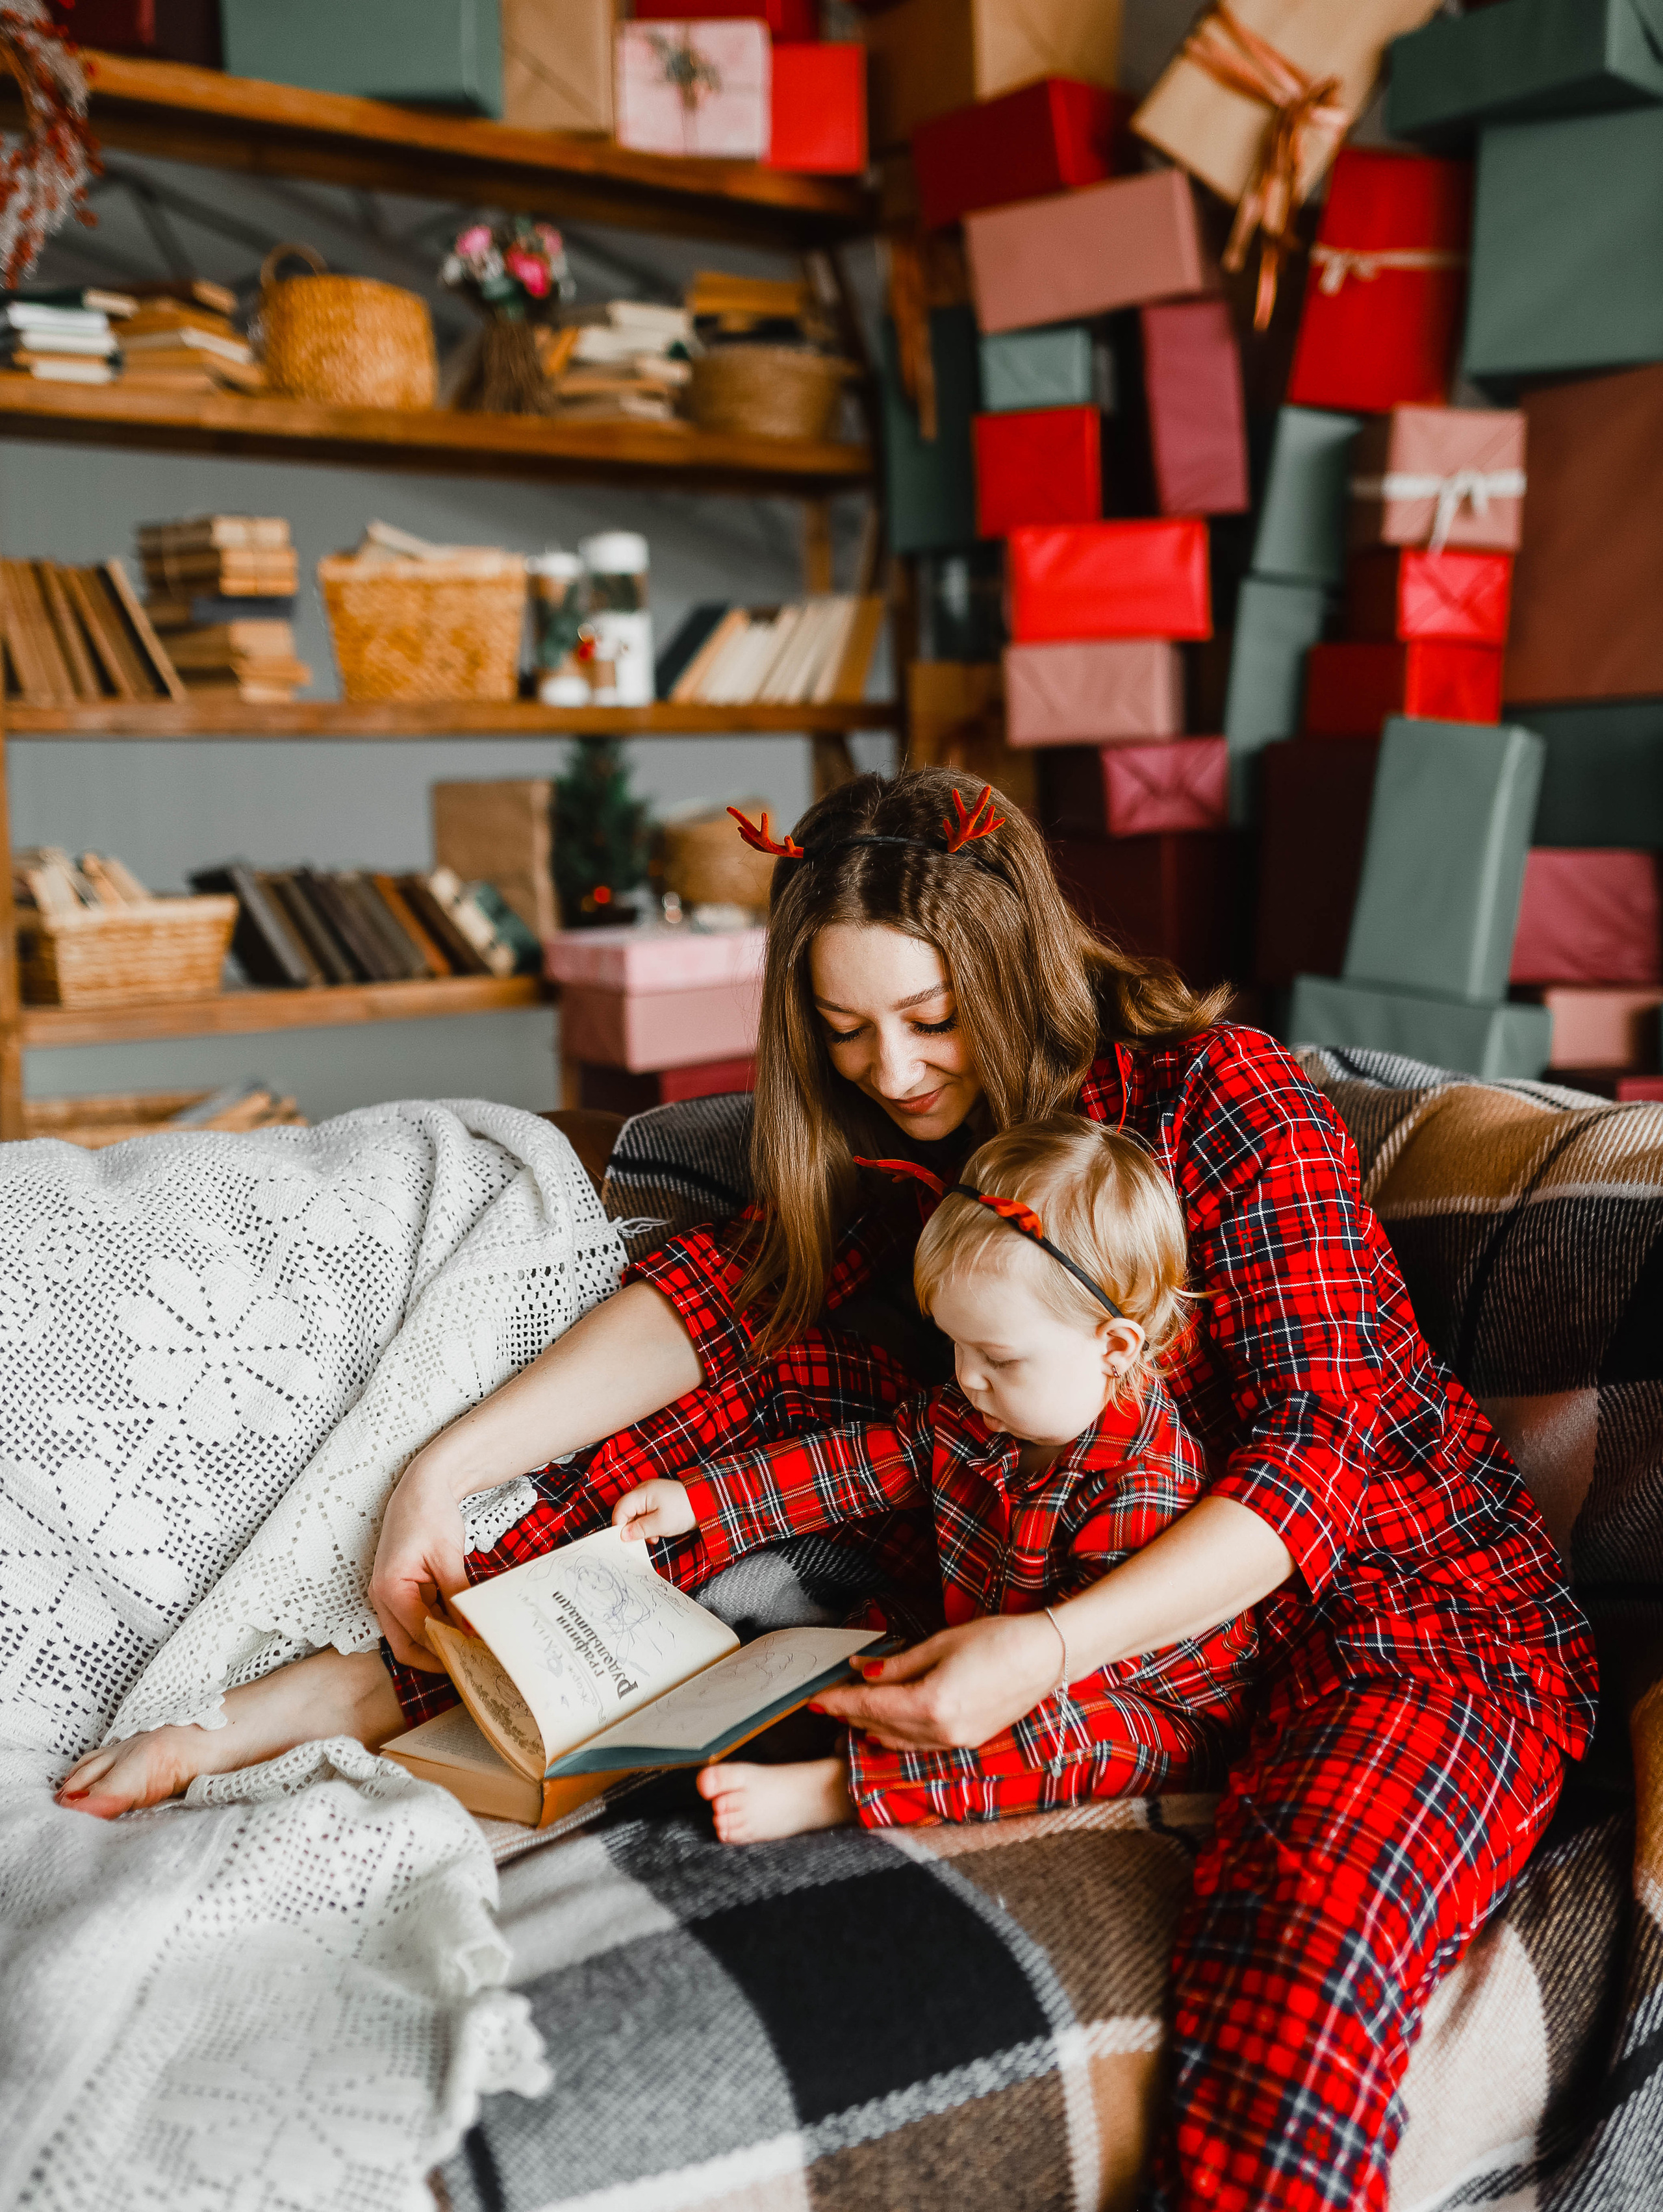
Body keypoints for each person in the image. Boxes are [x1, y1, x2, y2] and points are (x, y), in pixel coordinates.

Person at [59, 768, 1597, 2212]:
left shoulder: (1219, 1100)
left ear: (1011, 966)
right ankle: (382, 1679)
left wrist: (1047, 1649)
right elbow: (721, 1315)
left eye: (929, 1019)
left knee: (1293, 1944)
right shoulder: (915, 1163)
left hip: (1394, 1615)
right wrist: (443, 1468)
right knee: (782, 1396)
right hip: (1097, 1620)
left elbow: (1313, 1454)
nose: (896, 1072)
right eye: (843, 1030)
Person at [613, 1114, 1258, 1843]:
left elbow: (1057, 1674)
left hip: (1129, 1703)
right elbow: (855, 1464)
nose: (966, 1377)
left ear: (1113, 1348)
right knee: (866, 1637)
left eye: (998, 1357)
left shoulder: (1147, 1479)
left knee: (1067, 1735)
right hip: (976, 1635)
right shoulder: (971, 1411)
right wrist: (702, 1498)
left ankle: (838, 1791)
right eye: (953, 1343)